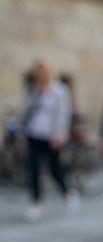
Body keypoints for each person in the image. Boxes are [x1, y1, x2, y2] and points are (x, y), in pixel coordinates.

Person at [22, 59, 75, 221]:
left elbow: (63, 114)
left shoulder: (60, 90)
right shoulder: (33, 90)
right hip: (34, 133)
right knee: (33, 169)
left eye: (44, 72)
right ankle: (37, 202)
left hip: (52, 136)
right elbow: (27, 110)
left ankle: (67, 193)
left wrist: (59, 135)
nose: (41, 75)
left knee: (54, 169)